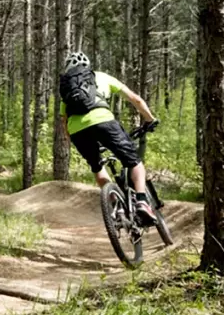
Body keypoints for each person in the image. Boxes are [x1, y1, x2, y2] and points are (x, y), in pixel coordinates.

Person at [58, 51, 158, 221]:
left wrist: (73, 139)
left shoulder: (67, 90)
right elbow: (136, 99)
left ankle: (116, 206)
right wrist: (150, 118)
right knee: (135, 162)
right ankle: (142, 201)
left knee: (97, 167)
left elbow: (64, 123)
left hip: (77, 131)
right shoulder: (100, 77)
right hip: (104, 122)